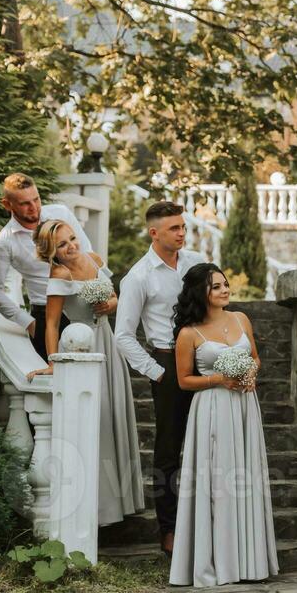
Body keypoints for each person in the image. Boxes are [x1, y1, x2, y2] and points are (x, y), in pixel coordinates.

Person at [26, 220, 143, 525]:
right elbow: (52, 324)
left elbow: (116, 297)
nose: (72, 247)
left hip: (109, 344)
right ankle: (99, 510)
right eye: (62, 245)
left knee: (115, 415)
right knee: (99, 421)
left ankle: (122, 503)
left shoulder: (94, 259)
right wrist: (54, 362)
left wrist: (111, 304)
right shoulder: (59, 275)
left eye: (72, 239)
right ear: (53, 254)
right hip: (83, 348)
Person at [168, 263, 278, 587]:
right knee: (218, 482)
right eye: (216, 287)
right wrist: (220, 379)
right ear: (200, 293)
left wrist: (250, 372)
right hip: (212, 408)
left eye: (225, 284)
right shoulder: (189, 334)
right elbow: (184, 381)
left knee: (247, 477)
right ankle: (218, 563)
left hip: (245, 406)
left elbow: (255, 357)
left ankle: (250, 561)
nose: (225, 290)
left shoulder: (242, 319)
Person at [114, 201, 203, 556]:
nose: (182, 233)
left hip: (206, 359)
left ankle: (209, 520)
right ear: (154, 233)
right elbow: (123, 335)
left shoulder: (197, 264)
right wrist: (158, 372)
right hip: (167, 363)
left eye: (183, 227)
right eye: (174, 229)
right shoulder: (138, 277)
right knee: (168, 450)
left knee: (209, 441)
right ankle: (168, 530)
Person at [0, 173, 106, 361]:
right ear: (7, 205)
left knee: (98, 377)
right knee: (59, 382)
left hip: (84, 307)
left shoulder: (61, 213)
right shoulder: (2, 243)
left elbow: (86, 253)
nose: (34, 208)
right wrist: (28, 323)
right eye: (25, 203)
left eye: (36, 199)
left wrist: (99, 294)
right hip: (47, 316)